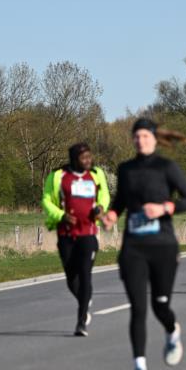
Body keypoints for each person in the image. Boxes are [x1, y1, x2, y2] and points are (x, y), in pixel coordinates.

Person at [101, 118, 186, 370]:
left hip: (163, 246)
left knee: (159, 306)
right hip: (133, 248)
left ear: (154, 139)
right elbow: (121, 201)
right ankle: (140, 368)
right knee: (138, 308)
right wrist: (111, 214)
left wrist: (165, 208)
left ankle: (172, 329)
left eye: (145, 136)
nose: (140, 140)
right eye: (137, 136)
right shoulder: (126, 169)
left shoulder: (167, 167)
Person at [42, 142, 110, 336]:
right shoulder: (58, 176)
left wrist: (101, 208)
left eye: (89, 156)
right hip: (66, 234)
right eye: (83, 158)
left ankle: (81, 322)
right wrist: (61, 215)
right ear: (74, 159)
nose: (88, 161)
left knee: (85, 274)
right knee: (72, 279)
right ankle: (84, 300)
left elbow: (104, 195)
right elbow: (46, 200)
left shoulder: (96, 174)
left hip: (88, 233)